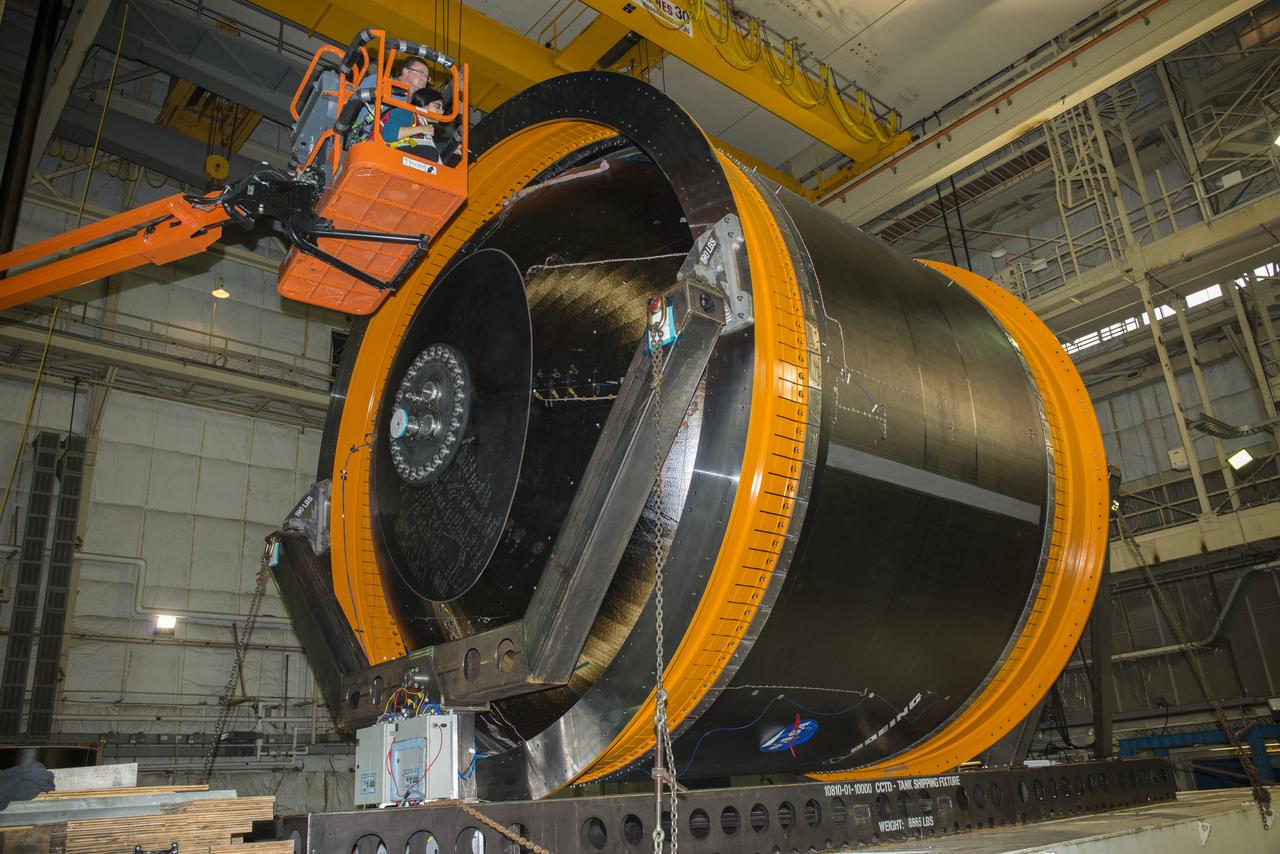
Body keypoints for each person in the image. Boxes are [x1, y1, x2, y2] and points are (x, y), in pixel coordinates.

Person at [382, 85, 445, 161]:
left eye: (442, 108)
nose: (442, 112)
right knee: (430, 152)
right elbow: (388, 134)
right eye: (437, 106)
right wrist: (420, 129)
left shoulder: (421, 125)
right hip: (383, 156)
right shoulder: (406, 112)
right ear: (423, 104)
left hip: (395, 161)